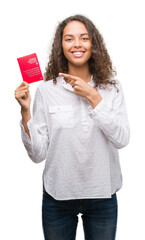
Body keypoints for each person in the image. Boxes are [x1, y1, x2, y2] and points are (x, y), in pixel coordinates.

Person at [15, 15, 130, 240]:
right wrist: (25, 111)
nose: (77, 44)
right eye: (69, 39)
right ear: (61, 47)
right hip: (57, 195)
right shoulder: (47, 91)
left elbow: (122, 139)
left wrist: (94, 96)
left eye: (84, 38)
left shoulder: (112, 88)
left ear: (93, 45)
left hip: (102, 195)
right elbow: (37, 154)